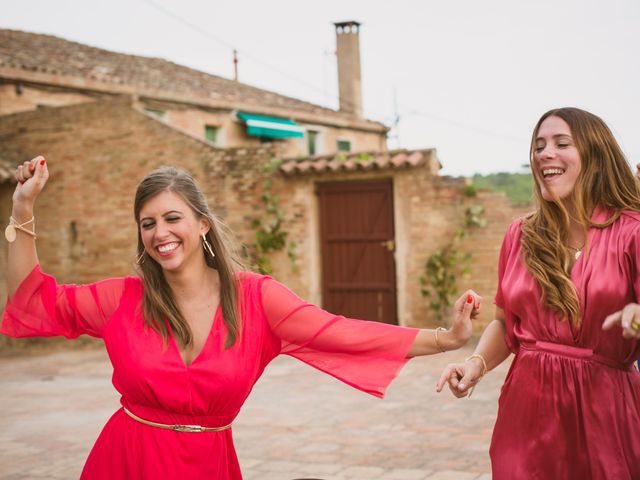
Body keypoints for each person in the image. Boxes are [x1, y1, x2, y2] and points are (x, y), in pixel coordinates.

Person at [2, 159, 479, 480]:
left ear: (203, 224)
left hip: (209, 464)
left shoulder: (256, 299)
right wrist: (23, 207)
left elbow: (339, 332)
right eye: (148, 224)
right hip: (126, 461)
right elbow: (33, 300)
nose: (160, 233)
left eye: (172, 218)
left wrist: (447, 338)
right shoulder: (120, 300)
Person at [436, 107, 640, 479]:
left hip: (605, 410)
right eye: (538, 145)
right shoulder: (520, 235)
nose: (544, 153)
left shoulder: (632, 232)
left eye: (562, 143)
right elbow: (505, 323)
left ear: (595, 156)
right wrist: (474, 365)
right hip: (526, 410)